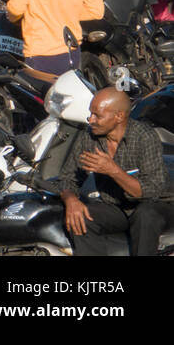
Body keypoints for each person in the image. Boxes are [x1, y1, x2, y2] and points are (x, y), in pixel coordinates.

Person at [51, 87, 174, 256]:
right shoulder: (90, 136)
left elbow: (149, 191)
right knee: (81, 217)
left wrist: (112, 170)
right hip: (116, 206)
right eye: (90, 114)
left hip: (156, 206)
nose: (91, 120)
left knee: (145, 215)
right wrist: (71, 200)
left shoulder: (144, 137)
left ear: (119, 116)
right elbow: (67, 177)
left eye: (98, 116)